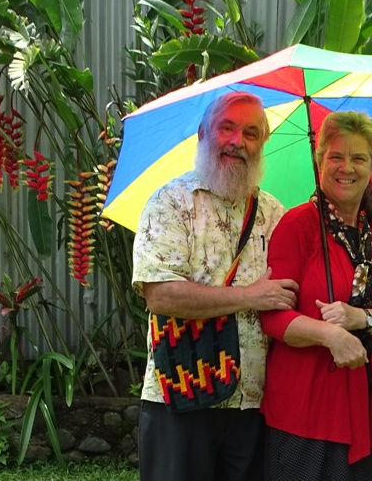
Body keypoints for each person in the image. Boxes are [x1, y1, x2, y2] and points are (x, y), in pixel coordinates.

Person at [131, 91, 300, 481]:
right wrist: (249, 296)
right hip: (181, 394)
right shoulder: (170, 203)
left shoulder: (276, 214)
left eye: (251, 133)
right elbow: (160, 295)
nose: (238, 141)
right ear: (203, 133)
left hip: (254, 400)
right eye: (227, 128)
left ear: (263, 143)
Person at [259, 111, 372, 480]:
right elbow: (273, 316)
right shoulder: (297, 227)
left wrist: (361, 318)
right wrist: (329, 335)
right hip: (308, 411)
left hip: (370, 408)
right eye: (336, 156)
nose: (346, 167)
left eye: (358, 158)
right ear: (319, 162)